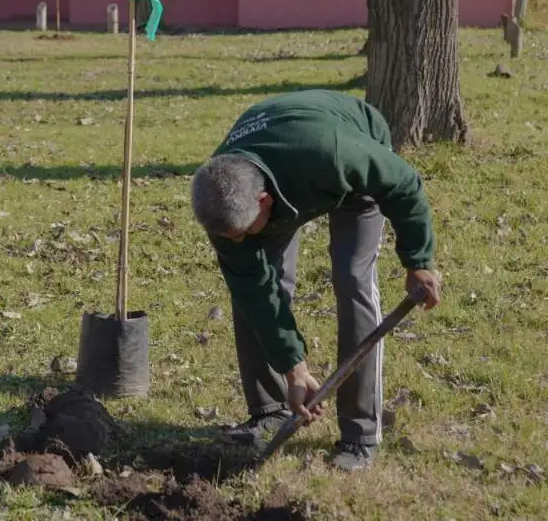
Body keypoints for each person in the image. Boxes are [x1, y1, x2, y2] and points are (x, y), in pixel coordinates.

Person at [188, 89, 442, 472]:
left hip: (350, 154)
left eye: (242, 233)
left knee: (352, 279)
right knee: (254, 290)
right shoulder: (220, 205)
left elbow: (403, 184)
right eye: (229, 237)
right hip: (282, 162)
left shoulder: (336, 154)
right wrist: (295, 367)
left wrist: (417, 261)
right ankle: (269, 410)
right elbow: (257, 294)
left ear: (264, 203)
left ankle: (360, 434)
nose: (236, 242)